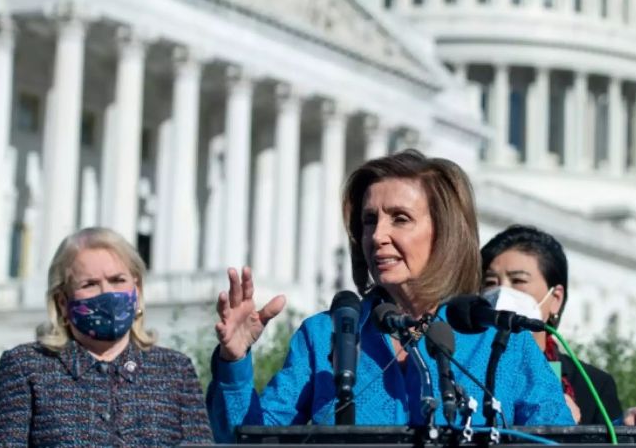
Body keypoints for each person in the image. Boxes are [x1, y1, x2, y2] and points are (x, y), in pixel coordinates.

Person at [206, 150, 573, 442]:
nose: (378, 235)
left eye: (399, 218)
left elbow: (559, 439)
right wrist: (234, 362)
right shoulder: (322, 337)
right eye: (369, 220)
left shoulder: (502, 344)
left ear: (444, 233)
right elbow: (246, 441)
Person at [0, 227, 213, 446]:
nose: (108, 293)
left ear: (137, 289)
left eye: (117, 280)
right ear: (62, 302)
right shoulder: (27, 367)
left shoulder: (175, 370)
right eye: (90, 284)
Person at [480, 225, 636, 444]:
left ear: (556, 298)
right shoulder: (463, 367)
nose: (502, 293)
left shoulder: (593, 385)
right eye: (490, 282)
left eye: (518, 281)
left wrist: (627, 427)